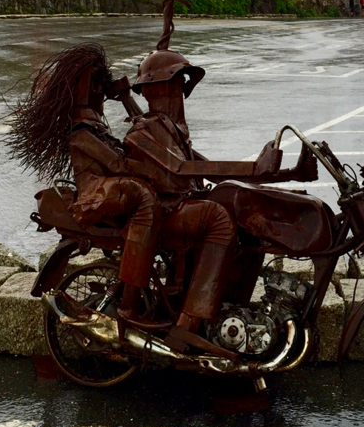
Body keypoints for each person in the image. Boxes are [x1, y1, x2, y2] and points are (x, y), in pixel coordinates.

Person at [123, 50, 317, 352]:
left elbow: (208, 169)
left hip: (183, 205)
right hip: (162, 211)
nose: (180, 93)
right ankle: (188, 325)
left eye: (181, 86)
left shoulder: (173, 130)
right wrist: (256, 167)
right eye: (175, 85)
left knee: (250, 226)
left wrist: (291, 174)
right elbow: (180, 168)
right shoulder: (142, 132)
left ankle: (229, 317)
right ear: (156, 89)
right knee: (219, 220)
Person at [6, 44, 163, 333]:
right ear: (85, 89)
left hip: (114, 192)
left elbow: (147, 135)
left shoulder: (96, 129)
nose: (103, 92)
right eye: (98, 85)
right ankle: (127, 310)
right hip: (99, 196)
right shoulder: (81, 132)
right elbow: (120, 165)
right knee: (147, 199)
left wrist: (127, 97)